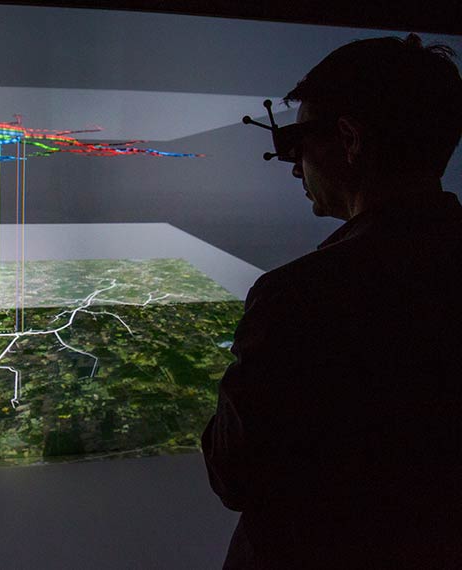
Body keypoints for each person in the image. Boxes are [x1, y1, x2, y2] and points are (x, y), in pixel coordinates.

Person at [202, 34, 462, 569]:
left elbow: (236, 473)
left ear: (349, 139)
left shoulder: (301, 298)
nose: (295, 165)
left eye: (298, 142)